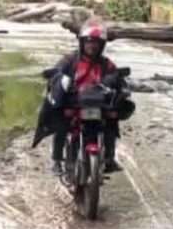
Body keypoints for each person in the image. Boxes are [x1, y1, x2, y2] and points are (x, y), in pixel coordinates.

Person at [44, 22, 124, 175]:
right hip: (74, 102)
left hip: (98, 103)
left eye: (95, 43)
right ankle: (56, 160)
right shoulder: (70, 60)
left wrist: (113, 81)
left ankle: (109, 158)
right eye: (88, 42)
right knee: (60, 122)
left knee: (111, 122)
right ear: (82, 43)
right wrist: (58, 77)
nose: (91, 46)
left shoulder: (107, 64)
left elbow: (116, 76)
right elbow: (57, 72)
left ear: (101, 45)